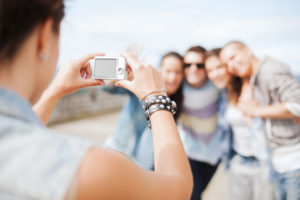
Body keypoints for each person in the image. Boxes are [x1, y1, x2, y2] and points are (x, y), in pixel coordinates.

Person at [0, 0, 193, 199]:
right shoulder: (86, 167)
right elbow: (178, 189)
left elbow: (23, 128)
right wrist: (156, 96)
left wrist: (54, 92)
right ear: (44, 36)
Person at [220, 40, 300, 200]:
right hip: (278, 162)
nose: (231, 65)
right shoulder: (254, 79)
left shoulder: (271, 69)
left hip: (293, 161)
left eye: (233, 57)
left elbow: (297, 105)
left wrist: (255, 111)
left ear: (247, 50)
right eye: (227, 63)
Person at [205, 48, 275, 200]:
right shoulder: (223, 94)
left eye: (219, 67)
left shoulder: (256, 86)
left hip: (265, 162)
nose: (215, 74)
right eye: (210, 70)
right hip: (238, 160)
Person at [178, 46, 223, 200]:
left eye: (199, 65)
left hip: (214, 153)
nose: (193, 69)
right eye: (187, 65)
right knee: (191, 195)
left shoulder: (218, 86)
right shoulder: (177, 87)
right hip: (189, 152)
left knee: (198, 193)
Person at [133, 51, 184, 170]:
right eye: (168, 71)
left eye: (178, 72)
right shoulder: (143, 88)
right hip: (125, 159)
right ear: (159, 70)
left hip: (153, 168)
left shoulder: (179, 99)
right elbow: (112, 88)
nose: (173, 77)